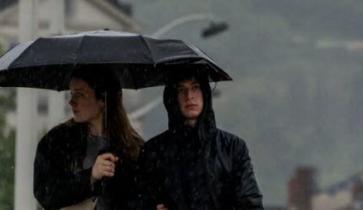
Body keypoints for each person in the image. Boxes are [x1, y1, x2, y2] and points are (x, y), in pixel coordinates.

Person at [138, 69, 263, 210]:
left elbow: (250, 203)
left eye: (195, 87)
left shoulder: (233, 147)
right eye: (181, 89)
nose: (189, 96)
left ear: (205, 93)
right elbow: (138, 200)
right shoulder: (153, 151)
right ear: (173, 97)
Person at [34, 66, 144, 210]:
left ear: (102, 99)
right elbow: (45, 194)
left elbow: (143, 196)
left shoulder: (133, 147)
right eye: (71, 94)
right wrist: (90, 176)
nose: (71, 102)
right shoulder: (55, 142)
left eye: (79, 95)